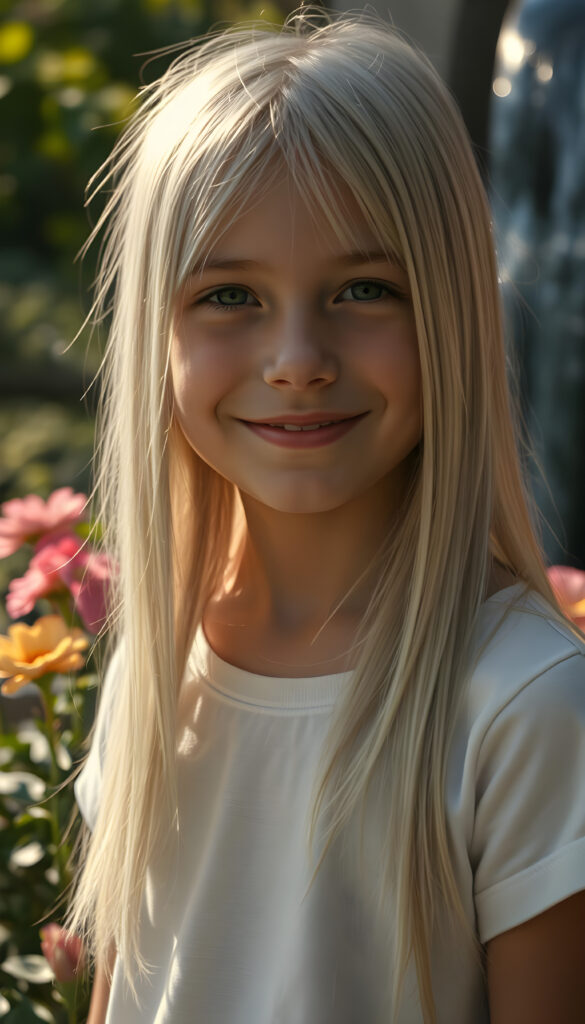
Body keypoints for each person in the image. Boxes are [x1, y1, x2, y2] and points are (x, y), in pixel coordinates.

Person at [66, 8, 585, 1023]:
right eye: (229, 297)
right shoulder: (156, 667)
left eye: (362, 287)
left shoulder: (523, 705)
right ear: (153, 335)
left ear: (453, 308)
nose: (298, 357)